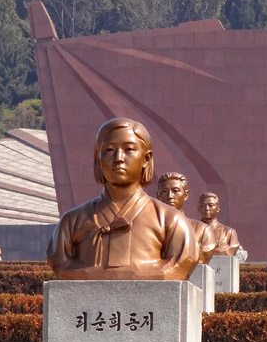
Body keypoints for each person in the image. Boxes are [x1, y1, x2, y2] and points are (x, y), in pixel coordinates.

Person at [46, 118, 198, 280]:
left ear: (146, 159)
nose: (118, 158)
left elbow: (179, 265)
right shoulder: (72, 222)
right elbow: (60, 263)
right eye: (109, 150)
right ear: (98, 159)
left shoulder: (171, 220)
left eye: (129, 150)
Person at [156, 172, 217, 264]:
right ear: (158, 196)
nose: (170, 196)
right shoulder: (146, 229)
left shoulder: (203, 231)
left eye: (175, 190)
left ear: (185, 195)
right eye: (164, 191)